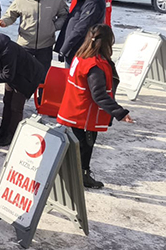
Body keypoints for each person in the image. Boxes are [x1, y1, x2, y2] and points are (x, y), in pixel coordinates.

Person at [57, 24, 134, 189]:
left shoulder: (80, 56)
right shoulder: (95, 65)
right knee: (85, 147)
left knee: (78, 146)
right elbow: (98, 94)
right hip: (86, 115)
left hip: (74, 109)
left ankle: (76, 174)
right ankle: (82, 175)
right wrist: (120, 112)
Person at [0, 34, 44, 147]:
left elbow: (7, 76)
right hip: (12, 76)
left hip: (26, 77)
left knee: (16, 107)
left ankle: (11, 134)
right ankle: (3, 130)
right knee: (7, 101)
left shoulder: (7, 51)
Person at [0, 0, 69, 73]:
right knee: (24, 74)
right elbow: (11, 14)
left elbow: (64, 15)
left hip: (45, 45)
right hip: (25, 44)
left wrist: (54, 27)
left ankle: (41, 89)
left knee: (43, 75)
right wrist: (4, 22)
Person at [56, 0, 105, 67]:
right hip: (73, 47)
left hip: (79, 48)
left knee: (73, 76)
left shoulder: (93, 2)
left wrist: (65, 48)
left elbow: (82, 27)